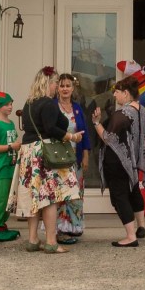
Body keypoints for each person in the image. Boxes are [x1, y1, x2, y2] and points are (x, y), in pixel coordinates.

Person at [9, 66, 82, 253]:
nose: (57, 86)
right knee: (50, 198)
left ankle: (33, 240)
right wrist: (71, 136)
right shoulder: (49, 103)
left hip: (28, 153)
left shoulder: (29, 103)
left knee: (34, 197)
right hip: (44, 153)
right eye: (56, 83)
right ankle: (51, 242)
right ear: (48, 83)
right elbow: (51, 128)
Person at [91, 76, 145, 247]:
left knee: (119, 196)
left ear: (126, 93)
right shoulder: (144, 111)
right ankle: (141, 227)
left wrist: (96, 123)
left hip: (118, 162)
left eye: (117, 92)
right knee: (133, 191)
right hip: (133, 161)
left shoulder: (122, 114)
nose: (115, 95)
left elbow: (108, 138)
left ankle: (130, 236)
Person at [54, 73, 91, 245]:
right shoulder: (53, 106)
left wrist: (86, 155)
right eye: (62, 85)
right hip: (59, 158)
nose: (65, 89)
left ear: (73, 88)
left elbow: (85, 133)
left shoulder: (77, 108)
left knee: (76, 193)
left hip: (75, 157)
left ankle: (74, 226)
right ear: (57, 88)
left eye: (68, 86)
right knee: (62, 194)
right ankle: (61, 229)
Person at [0, 91, 22, 242]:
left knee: (8, 199)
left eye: (11, 104)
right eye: (7, 104)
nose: (10, 107)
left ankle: (2, 225)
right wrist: (10, 146)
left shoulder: (11, 123)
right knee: (0, 199)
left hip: (10, 167)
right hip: (0, 168)